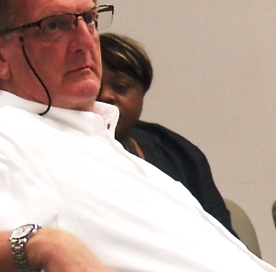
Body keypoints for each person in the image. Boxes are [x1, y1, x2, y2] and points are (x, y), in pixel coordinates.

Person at [0, 0, 271, 272]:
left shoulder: (94, 137)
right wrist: (42, 244)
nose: (85, 41)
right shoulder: (10, 138)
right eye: (54, 26)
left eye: (89, 19)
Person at [98, 32, 237, 234]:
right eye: (94, 87)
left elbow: (225, 241)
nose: (105, 96)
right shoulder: (58, 157)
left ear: (142, 95)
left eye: (120, 87)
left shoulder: (180, 154)